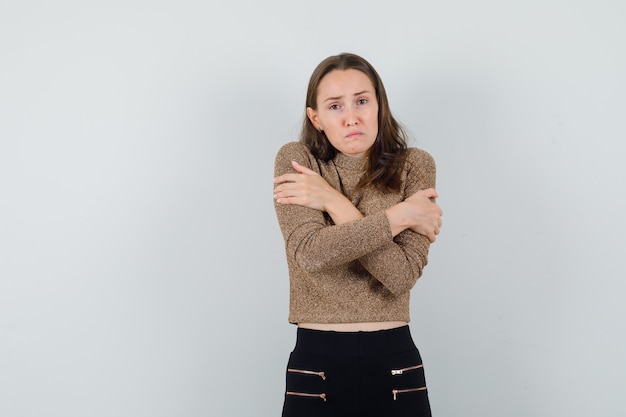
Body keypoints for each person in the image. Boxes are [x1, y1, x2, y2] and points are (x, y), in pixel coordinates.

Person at [273, 52, 443, 417]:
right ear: (315, 118)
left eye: (363, 101)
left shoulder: (415, 165)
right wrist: (400, 216)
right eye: (335, 106)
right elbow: (312, 253)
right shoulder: (298, 160)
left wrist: (331, 200)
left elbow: (399, 275)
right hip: (317, 361)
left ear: (380, 105)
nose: (352, 117)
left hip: (394, 358)